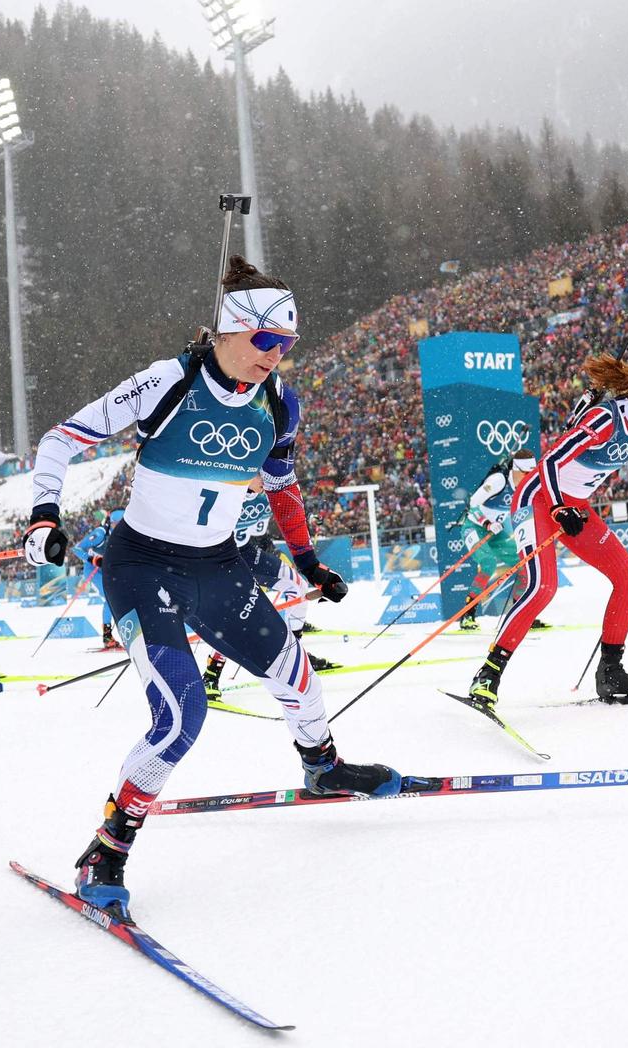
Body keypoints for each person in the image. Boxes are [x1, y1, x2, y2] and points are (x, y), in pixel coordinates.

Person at [24, 254, 401, 920]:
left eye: (286, 344)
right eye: (265, 339)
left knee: (297, 673)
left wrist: (308, 561)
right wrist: (44, 516)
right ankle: (107, 849)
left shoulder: (279, 402)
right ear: (228, 328)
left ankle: (322, 767)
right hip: (143, 568)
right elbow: (58, 441)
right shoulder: (166, 382)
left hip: (219, 567)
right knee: (181, 717)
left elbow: (282, 487)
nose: (275, 355)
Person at [467, 357, 628, 707]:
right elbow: (551, 461)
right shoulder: (605, 419)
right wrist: (557, 507)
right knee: (542, 587)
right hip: (538, 499)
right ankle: (488, 673)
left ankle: (611, 672)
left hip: (573, 506)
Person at [199, 484, 334, 702]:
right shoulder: (231, 489)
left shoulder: (269, 492)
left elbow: (287, 512)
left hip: (247, 551)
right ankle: (211, 674)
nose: (265, 481)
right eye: (260, 475)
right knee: (237, 614)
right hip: (223, 557)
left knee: (297, 586)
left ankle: (295, 656)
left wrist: (309, 517)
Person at [456, 450, 537, 631]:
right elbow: (472, 504)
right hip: (474, 526)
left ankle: (520, 614)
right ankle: (468, 615)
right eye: (525, 473)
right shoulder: (499, 481)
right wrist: (487, 523)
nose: (528, 478)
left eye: (531, 474)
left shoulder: (526, 487)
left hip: (497, 531)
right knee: (488, 563)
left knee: (524, 564)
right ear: (515, 470)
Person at [71, 510, 121, 649]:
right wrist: (92, 559)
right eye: (117, 525)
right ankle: (107, 637)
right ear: (111, 523)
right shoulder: (100, 534)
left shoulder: (125, 536)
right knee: (110, 598)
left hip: (108, 570)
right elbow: (76, 549)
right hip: (93, 570)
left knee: (120, 598)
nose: (120, 528)